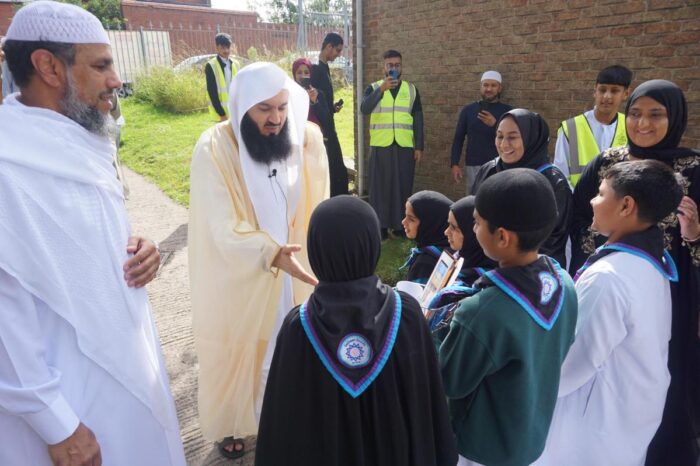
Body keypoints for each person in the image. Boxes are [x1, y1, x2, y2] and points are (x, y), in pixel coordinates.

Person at [0, 2, 186, 465]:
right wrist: (55, 423)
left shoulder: (81, 140)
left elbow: (80, 238)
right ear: (48, 66)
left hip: (125, 365)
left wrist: (138, 247)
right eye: (101, 65)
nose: (116, 79)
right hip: (68, 406)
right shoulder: (8, 159)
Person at [188, 62, 329, 459]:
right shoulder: (215, 147)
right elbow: (220, 224)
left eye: (283, 107)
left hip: (293, 267)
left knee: (290, 345)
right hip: (242, 270)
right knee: (241, 349)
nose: (276, 119)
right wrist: (268, 252)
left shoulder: (298, 138)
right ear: (243, 106)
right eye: (264, 109)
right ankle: (234, 422)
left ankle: (286, 416)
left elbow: (317, 197)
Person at [255, 195, 458, 466]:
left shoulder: (298, 328)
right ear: (372, 245)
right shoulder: (406, 314)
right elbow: (426, 403)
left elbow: (282, 427)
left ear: (316, 250)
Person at [569, 79, 700, 466]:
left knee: (664, 373)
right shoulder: (609, 162)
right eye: (637, 113)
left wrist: (694, 236)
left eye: (656, 115)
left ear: (674, 117)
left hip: (676, 293)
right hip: (609, 286)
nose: (643, 123)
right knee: (604, 369)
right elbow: (576, 217)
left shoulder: (693, 168)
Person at [534, 160, 683, 466]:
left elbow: (573, 362)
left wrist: (525, 385)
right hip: (629, 412)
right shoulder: (653, 262)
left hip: (594, 422)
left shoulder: (608, 277)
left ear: (626, 205)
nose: (591, 200)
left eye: (601, 193)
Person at [437, 168, 578, 466]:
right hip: (532, 439)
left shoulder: (483, 312)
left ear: (501, 237)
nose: (473, 229)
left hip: (482, 448)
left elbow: (449, 380)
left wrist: (436, 327)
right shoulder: (563, 281)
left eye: (476, 222)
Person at [472, 108, 572, 267]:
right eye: (499, 136)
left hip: (532, 275)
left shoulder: (552, 181)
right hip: (484, 266)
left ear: (531, 138)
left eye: (512, 137)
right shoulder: (489, 170)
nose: (504, 144)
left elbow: (552, 239)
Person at [361, 49, 424, 240]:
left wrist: (419, 146)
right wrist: (382, 89)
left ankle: (399, 226)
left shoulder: (412, 90)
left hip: (404, 146)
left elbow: (418, 119)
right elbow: (364, 109)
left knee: (403, 186)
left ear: (402, 67)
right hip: (381, 145)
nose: (393, 68)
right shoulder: (373, 88)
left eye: (397, 65)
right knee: (379, 187)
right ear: (384, 67)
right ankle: (380, 227)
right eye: (390, 65)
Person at [554, 65, 632, 187]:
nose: (607, 96)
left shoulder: (630, 127)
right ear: (594, 91)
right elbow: (560, 175)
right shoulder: (570, 128)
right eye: (602, 90)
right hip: (578, 203)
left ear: (626, 94)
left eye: (614, 91)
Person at [450, 71, 513, 194]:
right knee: (473, 202)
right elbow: (458, 138)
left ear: (500, 88)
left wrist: (495, 125)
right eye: (485, 85)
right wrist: (454, 164)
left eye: (493, 86)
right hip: (474, 165)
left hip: (500, 165)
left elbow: (512, 138)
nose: (489, 89)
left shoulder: (508, 111)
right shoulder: (469, 110)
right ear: (480, 87)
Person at [311, 32, 348, 196]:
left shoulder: (324, 67)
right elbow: (313, 102)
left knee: (337, 169)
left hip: (328, 125)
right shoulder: (315, 68)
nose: (339, 54)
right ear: (328, 47)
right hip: (322, 129)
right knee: (334, 169)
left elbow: (321, 99)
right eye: (337, 50)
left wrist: (332, 108)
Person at [400, 190, 453, 284]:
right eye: (405, 216)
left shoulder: (425, 263)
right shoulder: (451, 252)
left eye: (411, 219)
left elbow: (414, 297)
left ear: (430, 223)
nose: (403, 222)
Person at [446, 196, 497, 286]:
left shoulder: (482, 283)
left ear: (470, 232)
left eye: (453, 227)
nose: (446, 232)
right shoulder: (458, 260)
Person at [293, 58, 332, 147]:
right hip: (296, 141)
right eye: (299, 72)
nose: (303, 75)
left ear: (311, 74)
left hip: (314, 141)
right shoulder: (288, 94)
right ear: (294, 74)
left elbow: (327, 120)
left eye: (306, 72)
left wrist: (314, 102)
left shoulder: (318, 94)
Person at [205, 32, 237, 122]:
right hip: (220, 114)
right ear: (217, 48)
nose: (226, 51)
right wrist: (221, 114)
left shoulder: (236, 64)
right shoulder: (211, 65)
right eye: (222, 48)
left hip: (234, 111)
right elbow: (212, 92)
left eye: (228, 47)